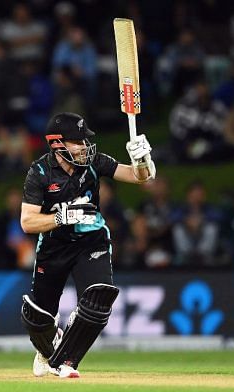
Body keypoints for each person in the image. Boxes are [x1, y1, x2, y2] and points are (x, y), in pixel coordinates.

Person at [19, 112, 155, 378]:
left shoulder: (94, 160)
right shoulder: (40, 172)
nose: (84, 146)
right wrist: (62, 217)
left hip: (91, 238)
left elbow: (140, 177)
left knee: (98, 298)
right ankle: (49, 352)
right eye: (77, 141)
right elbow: (27, 222)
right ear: (58, 144)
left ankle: (66, 362)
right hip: (54, 246)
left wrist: (143, 160)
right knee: (37, 317)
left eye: (84, 140)